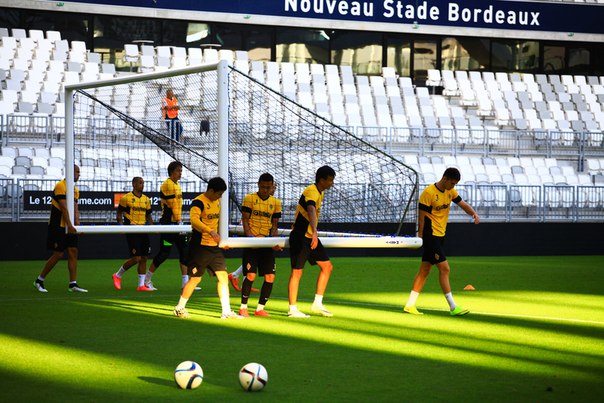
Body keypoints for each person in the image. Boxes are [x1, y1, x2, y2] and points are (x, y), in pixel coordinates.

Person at [403, 167, 480, 316]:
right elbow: (421, 217)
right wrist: (420, 236)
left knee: (424, 270)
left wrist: (474, 214)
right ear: (445, 178)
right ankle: (453, 307)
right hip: (430, 235)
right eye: (452, 183)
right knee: (445, 269)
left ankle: (410, 305)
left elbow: (462, 204)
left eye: (455, 184)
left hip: (440, 235)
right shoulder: (429, 193)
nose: (453, 186)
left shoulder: (450, 192)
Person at [173, 177, 242, 319]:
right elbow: (194, 221)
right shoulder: (198, 202)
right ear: (211, 190)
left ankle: (226, 312)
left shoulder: (217, 202)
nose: (220, 197)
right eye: (219, 194)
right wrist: (210, 231)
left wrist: (223, 240)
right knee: (195, 279)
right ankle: (179, 308)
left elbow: (218, 222)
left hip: (214, 247)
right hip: (200, 247)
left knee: (223, 277)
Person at [287, 165, 336, 318]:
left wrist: (313, 234)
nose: (332, 183)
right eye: (330, 180)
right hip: (301, 237)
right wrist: (315, 232)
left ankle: (317, 304)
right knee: (297, 272)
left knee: (327, 267)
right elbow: (311, 209)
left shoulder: (320, 192)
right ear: (322, 180)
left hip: (310, 237)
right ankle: (292, 309)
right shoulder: (311, 191)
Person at [34, 165, 87, 293]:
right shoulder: (60, 186)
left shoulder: (75, 190)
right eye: (77, 172)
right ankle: (39, 280)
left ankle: (73, 284)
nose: (79, 174)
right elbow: (63, 208)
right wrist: (70, 225)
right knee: (58, 254)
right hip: (57, 225)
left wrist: (77, 225)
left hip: (70, 226)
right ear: (70, 172)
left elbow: (75, 209)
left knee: (73, 251)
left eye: (79, 172)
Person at [237, 173, 282, 317]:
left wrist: (274, 241)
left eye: (268, 187)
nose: (265, 190)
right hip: (252, 243)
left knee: (270, 277)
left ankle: (260, 309)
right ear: (258, 184)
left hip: (266, 244)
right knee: (250, 275)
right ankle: (243, 307)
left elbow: (274, 226)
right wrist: (250, 238)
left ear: (272, 186)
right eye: (263, 187)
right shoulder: (249, 198)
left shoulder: (276, 203)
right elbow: (245, 220)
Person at [144, 161, 190, 290]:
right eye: (178, 171)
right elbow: (172, 206)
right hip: (169, 225)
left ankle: (185, 283)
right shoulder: (168, 185)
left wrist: (179, 222)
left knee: (184, 251)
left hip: (176, 224)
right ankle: (147, 280)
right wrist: (179, 221)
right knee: (164, 252)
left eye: (181, 171)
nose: (180, 173)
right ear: (171, 172)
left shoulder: (176, 185)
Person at [228, 181, 280, 293]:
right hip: (252, 234)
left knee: (253, 262)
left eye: (273, 187)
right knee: (252, 260)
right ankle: (237, 277)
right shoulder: (253, 199)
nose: (272, 189)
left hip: (262, 236)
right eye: (272, 187)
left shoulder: (273, 202)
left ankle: (239, 278)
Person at [112, 176, 154, 292]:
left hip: (143, 230)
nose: (142, 185)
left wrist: (152, 227)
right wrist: (121, 226)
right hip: (131, 229)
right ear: (134, 184)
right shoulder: (126, 198)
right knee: (136, 258)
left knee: (144, 257)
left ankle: (141, 285)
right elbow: (119, 213)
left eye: (143, 183)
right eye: (140, 183)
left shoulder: (146, 199)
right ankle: (118, 275)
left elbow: (148, 216)